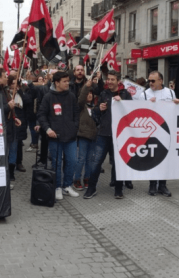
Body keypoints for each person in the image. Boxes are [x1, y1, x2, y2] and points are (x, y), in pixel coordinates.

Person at [84, 71, 132, 199]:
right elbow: (95, 113)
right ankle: (91, 188)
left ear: (118, 81)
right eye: (108, 79)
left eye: (112, 79)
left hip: (119, 135)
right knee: (96, 163)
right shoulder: (103, 94)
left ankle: (118, 189)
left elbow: (132, 113)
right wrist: (99, 109)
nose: (109, 82)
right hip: (103, 134)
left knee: (118, 164)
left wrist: (122, 102)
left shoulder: (126, 94)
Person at [37, 71, 80, 200]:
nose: (68, 83)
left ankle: (67, 185)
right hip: (55, 137)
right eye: (65, 81)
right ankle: (57, 187)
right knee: (56, 163)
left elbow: (76, 114)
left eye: (68, 81)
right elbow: (41, 115)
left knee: (72, 161)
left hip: (70, 137)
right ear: (57, 82)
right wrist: (48, 129)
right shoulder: (48, 97)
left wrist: (74, 127)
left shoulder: (71, 96)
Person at [143, 71, 179, 197]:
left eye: (153, 81)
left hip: (167, 130)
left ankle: (162, 185)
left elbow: (175, 109)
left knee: (165, 159)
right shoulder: (145, 93)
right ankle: (152, 184)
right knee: (153, 159)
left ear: (160, 81)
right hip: (152, 131)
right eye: (149, 81)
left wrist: (178, 104)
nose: (150, 83)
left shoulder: (170, 92)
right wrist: (147, 104)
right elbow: (139, 110)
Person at [0, 68, 20, 189]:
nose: (7, 78)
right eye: (5, 76)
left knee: (5, 156)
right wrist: (8, 107)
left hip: (8, 125)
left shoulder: (2, 89)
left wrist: (13, 117)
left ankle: (2, 180)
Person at [74, 76, 97, 190]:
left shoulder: (95, 107)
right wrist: (86, 87)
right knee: (81, 159)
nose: (89, 95)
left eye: (91, 94)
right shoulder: (81, 107)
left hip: (93, 137)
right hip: (83, 136)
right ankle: (76, 179)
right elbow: (81, 98)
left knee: (90, 159)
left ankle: (87, 178)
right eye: (88, 93)